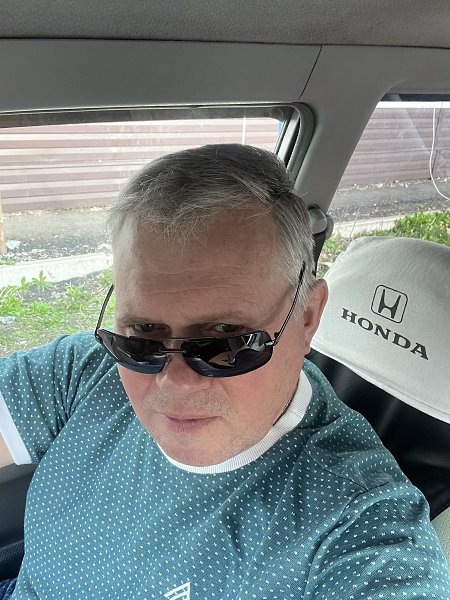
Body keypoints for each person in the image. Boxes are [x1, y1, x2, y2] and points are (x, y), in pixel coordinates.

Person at [0, 144, 448, 599]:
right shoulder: (88, 368)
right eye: (144, 333)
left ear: (308, 317)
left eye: (226, 340)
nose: (174, 382)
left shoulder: (357, 524)